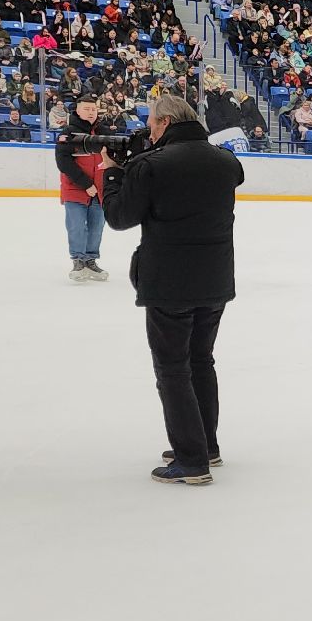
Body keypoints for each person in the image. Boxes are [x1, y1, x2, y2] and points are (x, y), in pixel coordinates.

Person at [101, 94, 245, 485]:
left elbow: (119, 217)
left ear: (165, 122)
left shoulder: (151, 165)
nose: (148, 130)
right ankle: (206, 445)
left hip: (169, 283)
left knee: (173, 368)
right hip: (215, 278)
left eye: (151, 123)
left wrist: (112, 174)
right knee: (201, 361)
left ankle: (191, 459)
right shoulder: (225, 161)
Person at [55, 97, 123, 282]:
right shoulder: (68, 133)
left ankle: (91, 260)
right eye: (86, 109)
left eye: (93, 109)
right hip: (75, 189)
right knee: (76, 226)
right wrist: (86, 184)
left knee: (96, 227)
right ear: (77, 111)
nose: (91, 112)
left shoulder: (105, 132)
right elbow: (63, 162)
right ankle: (78, 260)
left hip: (100, 190)